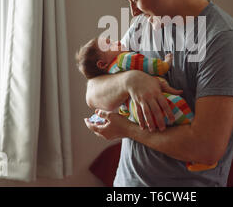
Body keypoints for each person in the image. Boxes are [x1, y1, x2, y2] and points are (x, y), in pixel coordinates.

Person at [84, 0, 233, 186]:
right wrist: (131, 80)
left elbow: (206, 148)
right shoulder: (142, 27)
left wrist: (127, 130)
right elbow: (93, 93)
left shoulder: (223, 40)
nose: (133, 12)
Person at [75, 37, 217, 171]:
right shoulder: (124, 58)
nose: (116, 41)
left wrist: (127, 127)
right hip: (161, 107)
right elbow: (149, 65)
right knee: (180, 110)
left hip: (137, 116)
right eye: (109, 43)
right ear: (102, 64)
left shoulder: (112, 71)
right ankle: (192, 156)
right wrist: (164, 65)